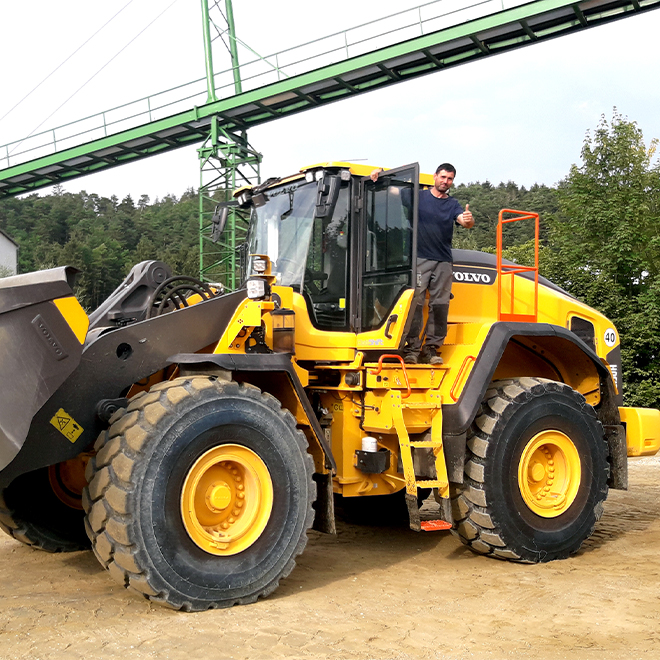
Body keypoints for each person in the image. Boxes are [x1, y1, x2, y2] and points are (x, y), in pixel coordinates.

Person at [370, 163, 474, 364]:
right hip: (419, 258)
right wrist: (380, 174)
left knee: (440, 304)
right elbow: (391, 190)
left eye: (450, 179)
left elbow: (464, 221)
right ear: (435, 176)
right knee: (415, 302)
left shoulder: (453, 204)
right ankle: (412, 349)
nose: (445, 181)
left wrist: (468, 220)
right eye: (443, 177)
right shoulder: (417, 196)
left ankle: (432, 349)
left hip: (443, 260)